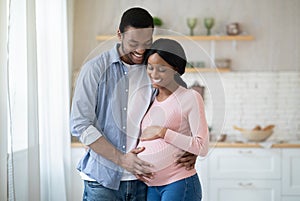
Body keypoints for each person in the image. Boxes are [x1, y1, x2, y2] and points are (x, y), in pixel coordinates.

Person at [70, 7, 197, 201]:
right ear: (119, 34)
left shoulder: (155, 69)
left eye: (147, 43)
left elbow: (181, 110)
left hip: (145, 181)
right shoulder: (95, 69)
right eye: (133, 43)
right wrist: (122, 160)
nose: (140, 50)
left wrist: (190, 149)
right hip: (102, 181)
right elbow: (80, 124)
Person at [137, 38, 209, 201]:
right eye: (150, 68)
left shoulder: (189, 97)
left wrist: (163, 132)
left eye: (161, 69)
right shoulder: (150, 97)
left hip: (178, 183)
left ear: (175, 69)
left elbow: (202, 146)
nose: (154, 74)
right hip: (151, 186)